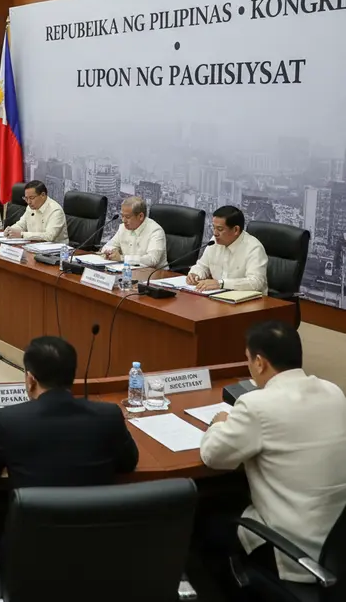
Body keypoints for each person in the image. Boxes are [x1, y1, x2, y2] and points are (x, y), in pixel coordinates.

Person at [199, 320, 346, 585]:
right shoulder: (334, 392)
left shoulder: (256, 404)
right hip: (336, 542)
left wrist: (219, 422)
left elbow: (212, 455)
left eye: (248, 360)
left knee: (203, 523)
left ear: (260, 362)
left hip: (292, 551)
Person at [0, 336, 138, 488]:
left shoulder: (9, 420)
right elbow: (128, 463)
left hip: (33, 527)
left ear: (31, 380)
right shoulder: (109, 416)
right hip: (98, 525)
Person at [187, 206, 268, 293]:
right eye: (213, 228)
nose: (215, 233)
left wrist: (221, 284)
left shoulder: (254, 248)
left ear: (236, 230)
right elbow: (202, 266)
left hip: (248, 302)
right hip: (219, 297)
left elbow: (256, 282)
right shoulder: (214, 241)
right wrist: (195, 274)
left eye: (220, 229)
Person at [101, 196, 167, 268]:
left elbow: (152, 259)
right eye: (122, 216)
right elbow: (108, 246)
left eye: (127, 217)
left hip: (156, 275)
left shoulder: (155, 231)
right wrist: (110, 252)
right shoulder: (123, 227)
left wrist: (122, 258)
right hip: (130, 271)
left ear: (140, 216)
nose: (123, 220)